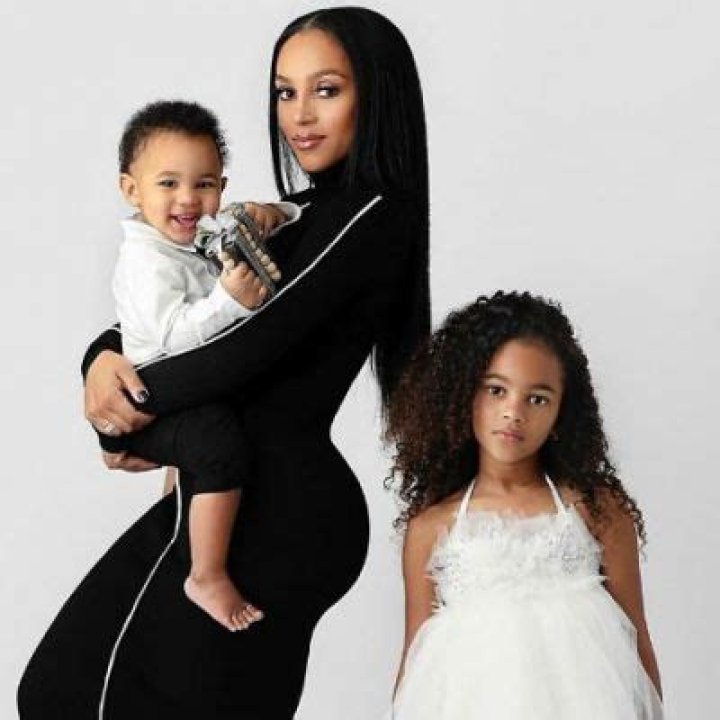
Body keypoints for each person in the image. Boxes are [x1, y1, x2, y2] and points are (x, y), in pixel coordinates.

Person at [17, 7, 429, 719]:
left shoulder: (367, 216)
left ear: (376, 95)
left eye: (326, 90)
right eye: (284, 92)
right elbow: (180, 309)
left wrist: (122, 417)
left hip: (279, 507)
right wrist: (100, 358)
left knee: (83, 694)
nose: (299, 115)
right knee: (64, 688)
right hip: (237, 491)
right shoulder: (300, 214)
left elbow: (241, 348)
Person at [386, 291, 664, 719]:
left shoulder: (596, 510)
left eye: (537, 398)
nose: (513, 412)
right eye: (496, 390)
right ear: (464, 396)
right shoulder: (431, 528)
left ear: (561, 414)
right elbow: (416, 663)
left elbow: (636, 641)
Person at [111, 98, 302, 632]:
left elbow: (290, 218)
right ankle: (206, 573)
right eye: (168, 183)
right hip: (156, 405)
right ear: (132, 190)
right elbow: (173, 339)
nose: (188, 199)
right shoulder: (146, 260)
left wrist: (275, 214)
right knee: (217, 445)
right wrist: (229, 302)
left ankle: (179, 529)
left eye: (205, 184)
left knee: (202, 456)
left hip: (188, 395)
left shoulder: (191, 238)